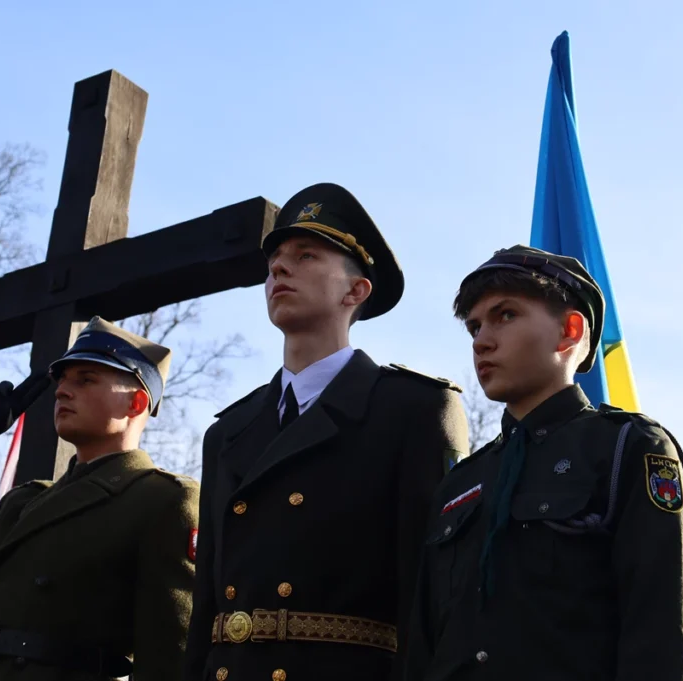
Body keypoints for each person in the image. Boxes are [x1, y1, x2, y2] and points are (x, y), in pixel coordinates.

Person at [183, 183, 469, 681]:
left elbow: (430, 597)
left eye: (306, 255)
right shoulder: (230, 430)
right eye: (274, 261)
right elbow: (205, 607)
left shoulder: (414, 409)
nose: (278, 268)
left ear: (355, 290)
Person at [405, 245, 683, 681]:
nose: (482, 340)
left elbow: (658, 637)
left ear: (569, 331)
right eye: (474, 327)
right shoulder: (461, 482)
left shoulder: (628, 448)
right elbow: (424, 648)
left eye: (505, 315)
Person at [0, 317, 199, 681]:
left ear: (136, 401)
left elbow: (172, 654)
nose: (62, 391)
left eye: (86, 379)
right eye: (62, 380)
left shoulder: (162, 500)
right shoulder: (25, 503)